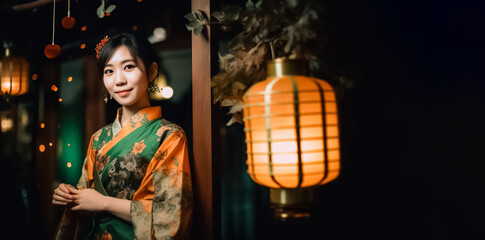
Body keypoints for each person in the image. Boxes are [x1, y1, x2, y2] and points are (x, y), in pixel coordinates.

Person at [52, 32, 193, 240]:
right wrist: (70, 195)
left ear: (151, 71)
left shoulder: (170, 135)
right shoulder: (98, 138)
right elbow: (85, 198)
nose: (119, 80)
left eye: (129, 67)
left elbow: (171, 218)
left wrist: (104, 202)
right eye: (109, 71)